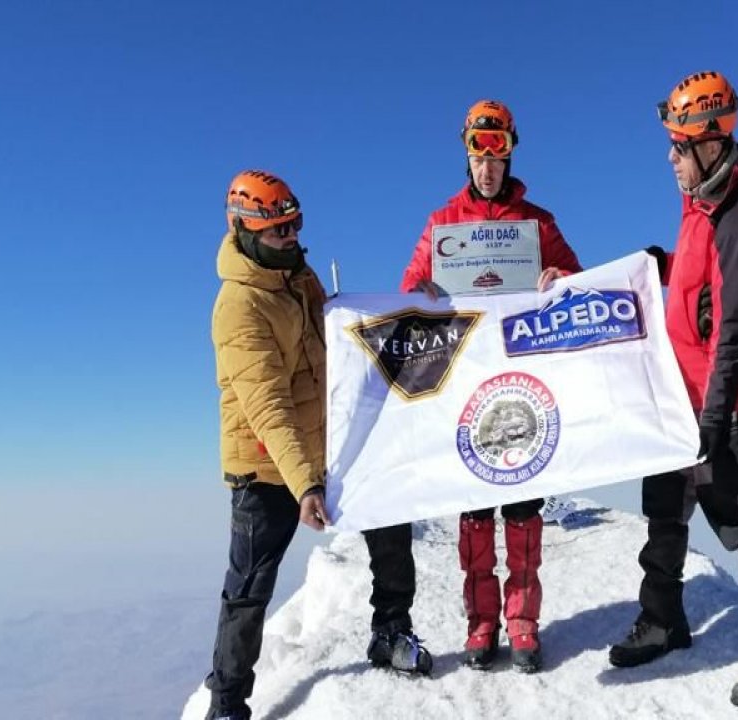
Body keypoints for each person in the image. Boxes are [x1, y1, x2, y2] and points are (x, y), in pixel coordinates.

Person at [606, 72, 738, 710]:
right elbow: (697, 289)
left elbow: (735, 330)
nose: (669, 158)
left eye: (677, 146)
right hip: (683, 389)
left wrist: (716, 420)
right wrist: (658, 268)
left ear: (711, 142)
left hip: (726, 397)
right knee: (665, 505)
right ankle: (665, 620)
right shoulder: (700, 204)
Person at [205, 170, 429, 720]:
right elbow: (266, 407)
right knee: (250, 586)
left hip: (323, 446)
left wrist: (412, 310)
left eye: (295, 224)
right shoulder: (240, 306)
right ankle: (227, 703)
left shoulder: (296, 278)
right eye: (279, 228)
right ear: (244, 229)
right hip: (265, 466)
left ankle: (390, 631)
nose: (291, 236)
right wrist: (304, 482)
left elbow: (336, 343)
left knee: (390, 520)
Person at [400, 100, 583, 673]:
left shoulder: (538, 224)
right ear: (466, 153)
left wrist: (558, 278)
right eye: (479, 153)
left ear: (509, 152)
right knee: (475, 509)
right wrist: (423, 291)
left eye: (497, 151)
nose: (488, 165)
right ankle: (481, 624)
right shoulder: (442, 223)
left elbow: (577, 280)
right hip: (466, 386)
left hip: (524, 382)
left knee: (524, 503)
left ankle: (523, 623)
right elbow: (407, 289)